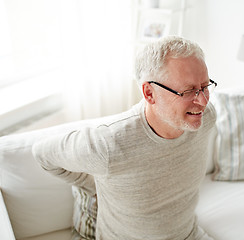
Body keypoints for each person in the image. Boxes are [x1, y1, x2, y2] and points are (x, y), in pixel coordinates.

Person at [32, 36, 217, 240]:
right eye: (189, 90)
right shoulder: (109, 144)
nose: (203, 100)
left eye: (205, 86)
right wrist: (94, 185)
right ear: (149, 93)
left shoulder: (205, 118)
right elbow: (42, 153)